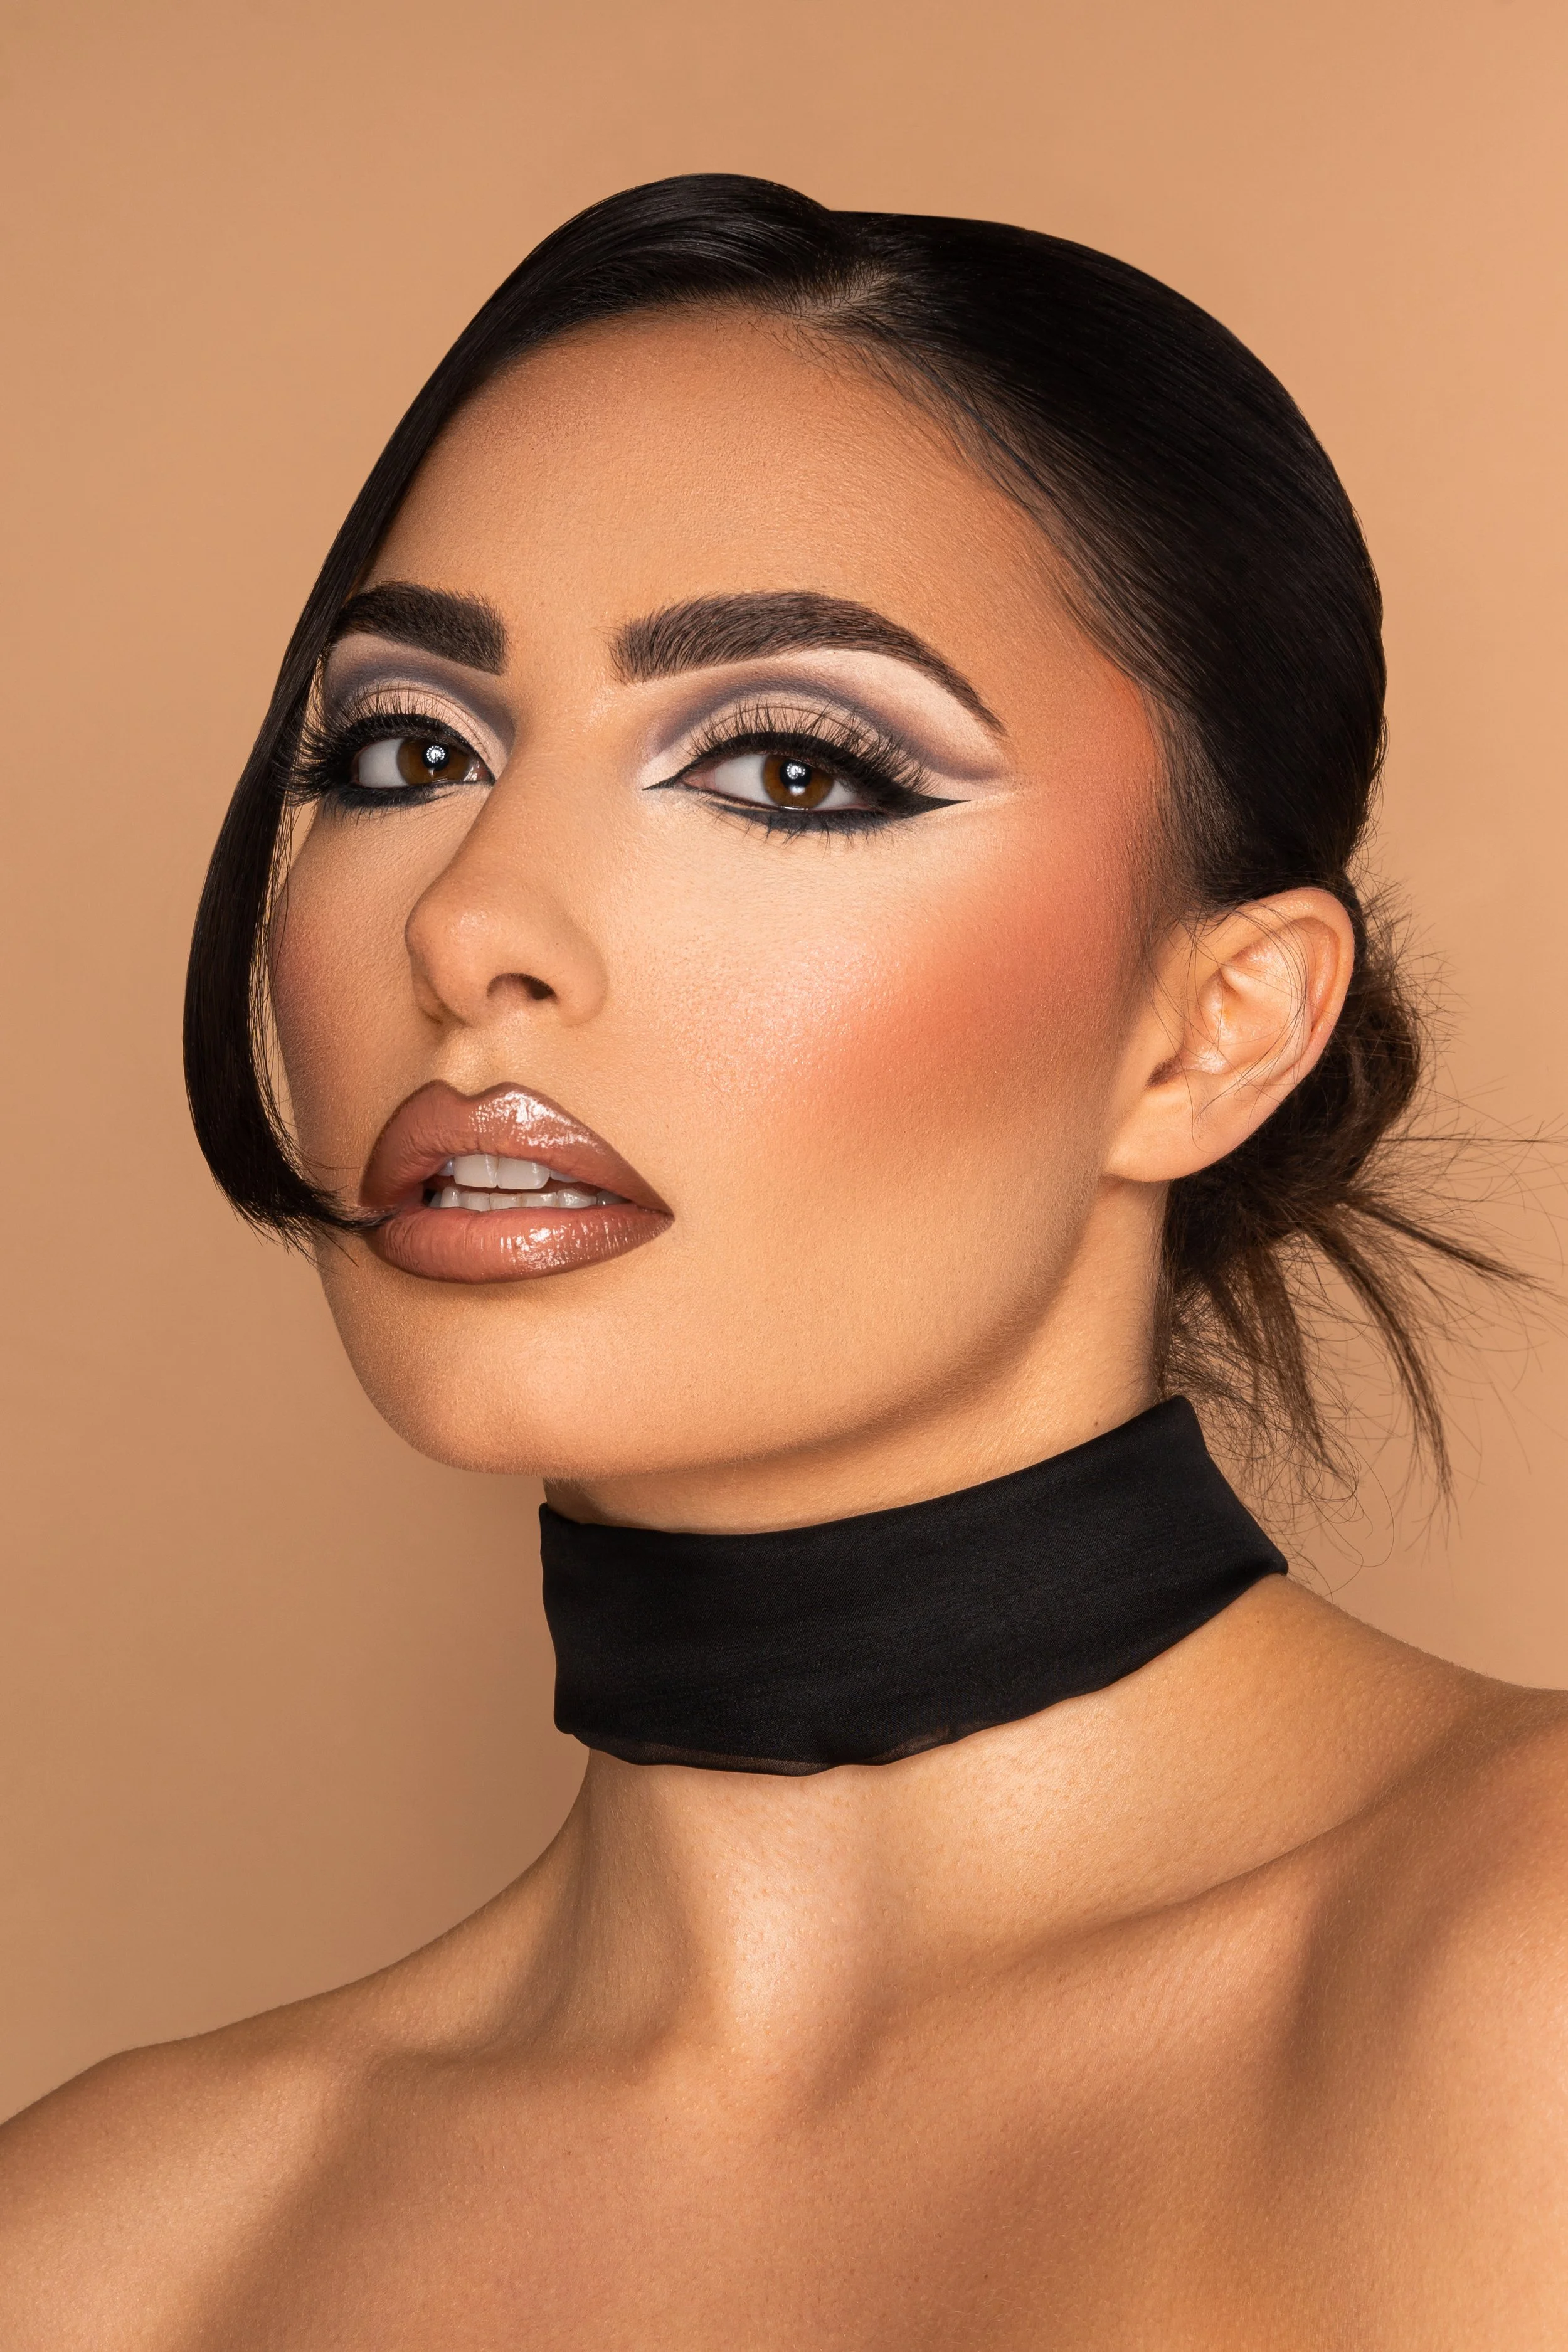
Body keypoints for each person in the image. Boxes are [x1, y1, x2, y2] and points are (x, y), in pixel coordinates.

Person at [3, 174, 1564, 2346]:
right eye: (406, 751)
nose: (471, 919)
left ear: (1211, 1030)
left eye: (788, 768)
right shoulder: (109, 2254)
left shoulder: (1516, 1984)